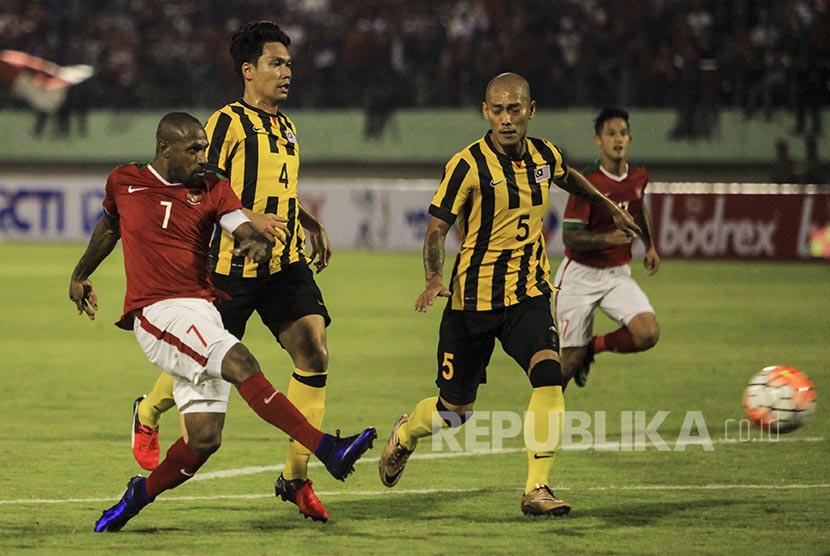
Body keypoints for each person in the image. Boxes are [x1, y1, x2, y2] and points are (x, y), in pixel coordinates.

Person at [69, 112, 376, 533]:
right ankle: (328, 448)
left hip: (202, 310)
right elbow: (109, 228)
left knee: (204, 440)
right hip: (158, 311)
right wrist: (80, 274)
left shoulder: (212, 187)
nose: (202, 156)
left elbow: (240, 225)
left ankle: (136, 496)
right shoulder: (124, 180)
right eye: (193, 148)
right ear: (165, 148)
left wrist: (256, 243)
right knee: (243, 362)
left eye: (204, 148)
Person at [377, 74, 641, 516]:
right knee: (455, 412)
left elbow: (569, 177)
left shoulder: (544, 155)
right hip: (472, 303)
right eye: (497, 110)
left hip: (529, 294)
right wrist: (431, 278)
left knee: (548, 376)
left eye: (514, 109)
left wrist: (610, 205)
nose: (506, 119)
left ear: (530, 111)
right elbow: (437, 230)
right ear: (485, 113)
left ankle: (537, 488)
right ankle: (405, 434)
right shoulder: (466, 164)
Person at [130, 21, 339, 522]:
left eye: (288, 63)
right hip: (229, 269)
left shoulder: (287, 126)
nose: (286, 72)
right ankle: (147, 410)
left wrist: (306, 221)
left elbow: (278, 192)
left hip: (283, 262)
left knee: (313, 351)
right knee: (206, 363)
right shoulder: (225, 124)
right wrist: (243, 222)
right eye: (275, 63)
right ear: (248, 71)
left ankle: (295, 478)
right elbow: (194, 187)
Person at [553, 107, 660, 390]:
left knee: (647, 334)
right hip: (579, 277)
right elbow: (570, 237)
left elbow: (639, 208)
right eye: (611, 133)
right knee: (569, 360)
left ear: (630, 139)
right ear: (597, 140)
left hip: (616, 275)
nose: (618, 139)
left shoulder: (638, 177)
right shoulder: (588, 184)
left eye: (622, 133)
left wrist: (650, 246)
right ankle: (543, 420)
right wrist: (606, 240)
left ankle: (593, 347)